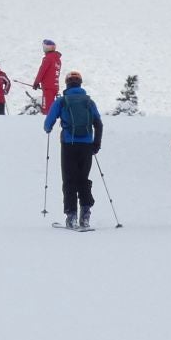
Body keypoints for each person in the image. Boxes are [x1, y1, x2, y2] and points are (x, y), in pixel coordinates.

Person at [43, 69, 103, 229]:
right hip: (86, 146)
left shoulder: (62, 101)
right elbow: (98, 123)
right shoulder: (89, 102)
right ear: (80, 84)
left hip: (69, 145)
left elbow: (48, 122)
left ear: (67, 84)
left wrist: (48, 128)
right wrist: (96, 144)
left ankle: (71, 217)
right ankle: (85, 216)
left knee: (69, 180)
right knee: (83, 179)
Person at [32, 39, 63, 112]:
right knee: (53, 108)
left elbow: (42, 71)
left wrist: (36, 83)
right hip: (55, 87)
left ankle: (47, 123)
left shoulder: (48, 58)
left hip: (48, 88)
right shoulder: (58, 60)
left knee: (47, 110)